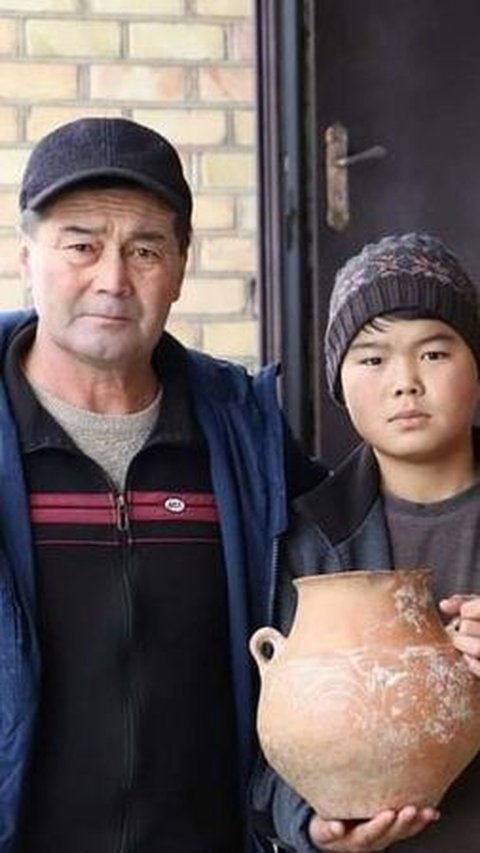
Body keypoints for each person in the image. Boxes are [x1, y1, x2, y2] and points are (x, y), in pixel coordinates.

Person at [0, 116, 327, 853]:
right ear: (26, 255)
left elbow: (361, 560)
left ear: (181, 264)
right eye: (81, 244)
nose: (113, 279)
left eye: (144, 249)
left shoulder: (245, 435)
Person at [252, 233, 480, 853]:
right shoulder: (306, 539)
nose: (405, 382)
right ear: (339, 381)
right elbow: (267, 743)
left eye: (434, 354)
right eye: (373, 359)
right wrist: (310, 825)